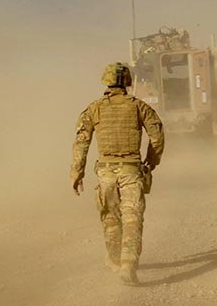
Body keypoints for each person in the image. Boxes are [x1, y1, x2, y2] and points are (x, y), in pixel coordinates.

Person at [71, 62, 164, 285]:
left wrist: (77, 172)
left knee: (111, 220)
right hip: (132, 171)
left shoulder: (94, 108)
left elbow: (81, 142)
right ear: (128, 82)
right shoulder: (139, 107)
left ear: (106, 81)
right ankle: (128, 264)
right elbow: (157, 136)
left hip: (106, 174)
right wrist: (150, 162)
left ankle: (114, 260)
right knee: (132, 219)